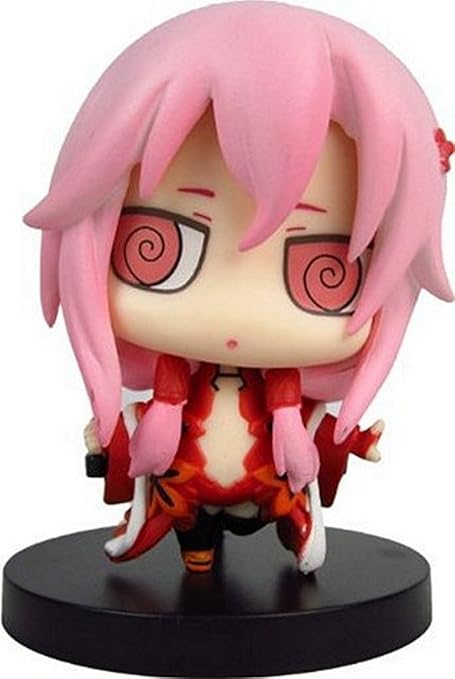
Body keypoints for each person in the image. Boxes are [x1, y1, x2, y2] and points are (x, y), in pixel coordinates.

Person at [24, 2, 453, 573]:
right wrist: (109, 439)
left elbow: (319, 428)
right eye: (164, 246)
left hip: (270, 486)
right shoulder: (172, 382)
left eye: (319, 268)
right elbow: (133, 427)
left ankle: (290, 535)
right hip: (185, 485)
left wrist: (353, 440)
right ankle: (197, 558)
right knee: (191, 535)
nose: (236, 314)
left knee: (285, 505)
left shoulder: (287, 394)